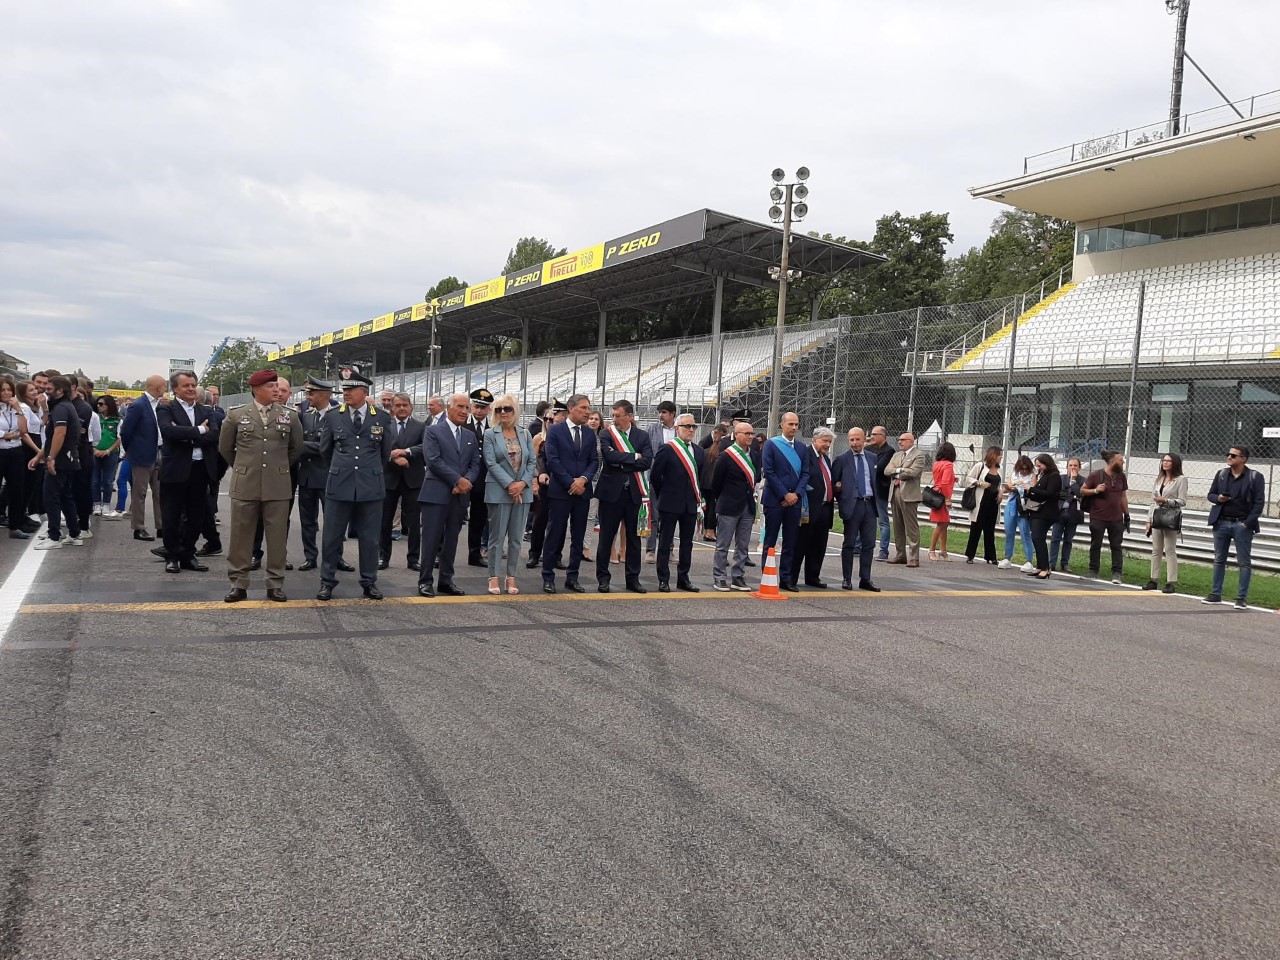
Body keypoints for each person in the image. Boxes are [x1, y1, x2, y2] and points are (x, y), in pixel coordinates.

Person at [219, 369, 303, 603]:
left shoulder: (289, 416)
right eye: (270, 386)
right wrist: (243, 467)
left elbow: (296, 448)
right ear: (256, 389)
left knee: (277, 537)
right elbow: (225, 448)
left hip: (278, 484)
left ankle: (275, 583)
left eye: (277, 385)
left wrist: (278, 468)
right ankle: (238, 583)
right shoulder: (236, 415)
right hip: (246, 483)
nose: (276, 390)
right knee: (240, 536)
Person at [317, 368, 392, 601]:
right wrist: (344, 469)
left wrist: (367, 472)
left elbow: (385, 452)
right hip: (340, 485)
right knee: (332, 537)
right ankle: (327, 582)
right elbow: (325, 451)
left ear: (364, 391)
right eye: (344, 389)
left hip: (370, 487)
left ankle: (369, 582)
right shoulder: (333, 416)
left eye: (350, 389)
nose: (345, 393)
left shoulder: (381, 417)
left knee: (370, 539)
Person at [413, 393, 481, 598]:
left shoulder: (469, 435)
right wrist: (457, 481)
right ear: (448, 408)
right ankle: (425, 581)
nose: (464, 411)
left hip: (459, 497)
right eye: (460, 406)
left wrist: (466, 481)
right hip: (436, 494)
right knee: (431, 540)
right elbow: (433, 461)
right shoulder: (433, 431)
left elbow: (475, 463)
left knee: (452, 540)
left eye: (467, 408)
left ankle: (445, 580)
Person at [155, 370, 220, 573]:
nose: (191, 388)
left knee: (196, 516)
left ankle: (187, 554)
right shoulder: (166, 409)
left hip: (200, 469)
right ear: (175, 389)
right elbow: (169, 431)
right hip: (175, 470)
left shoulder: (206, 411)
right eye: (186, 386)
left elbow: (215, 435)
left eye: (193, 385)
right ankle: (172, 555)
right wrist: (200, 431)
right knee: (171, 516)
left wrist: (186, 435)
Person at [594, 398, 653, 594]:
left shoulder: (642, 436)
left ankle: (633, 579)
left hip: (634, 494)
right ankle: (603, 578)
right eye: (613, 415)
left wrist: (625, 460)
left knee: (634, 539)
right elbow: (609, 458)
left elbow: (647, 462)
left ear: (630, 416)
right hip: (611, 493)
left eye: (618, 416)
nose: (615, 419)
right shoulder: (606, 433)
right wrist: (635, 456)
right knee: (606, 537)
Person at [541, 394, 598, 594]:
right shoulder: (555, 430)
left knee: (578, 536)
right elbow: (552, 460)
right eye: (583, 408)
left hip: (582, 491)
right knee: (555, 534)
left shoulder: (590, 434)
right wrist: (570, 482)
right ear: (571, 408)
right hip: (561, 491)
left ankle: (572, 577)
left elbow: (594, 461)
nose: (587, 412)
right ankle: (548, 576)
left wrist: (583, 480)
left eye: (589, 408)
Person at [295, 377, 352, 574]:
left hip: (328, 476)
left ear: (324, 395)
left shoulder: (338, 416)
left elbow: (328, 447)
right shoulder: (306, 415)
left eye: (311, 393)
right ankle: (310, 557)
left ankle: (337, 557)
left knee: (334, 521)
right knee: (307, 521)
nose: (307, 396)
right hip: (308, 476)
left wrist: (300, 446)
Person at [482, 394, 534, 595]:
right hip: (498, 491)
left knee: (516, 538)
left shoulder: (525, 434)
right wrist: (510, 485)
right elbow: (491, 463)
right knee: (496, 537)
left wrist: (521, 484)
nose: (503, 412)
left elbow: (531, 462)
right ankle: (493, 576)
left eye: (507, 409)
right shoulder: (490, 434)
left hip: (523, 492)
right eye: (499, 409)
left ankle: (511, 577)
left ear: (515, 411)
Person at [1203, 444, 1266, 609]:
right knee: (1218, 559)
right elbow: (1210, 494)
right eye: (1228, 454)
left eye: (1233, 455)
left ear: (1243, 459)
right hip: (1222, 522)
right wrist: (1218, 499)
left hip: (1242, 523)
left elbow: (1259, 503)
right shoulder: (1222, 474)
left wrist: (1248, 523)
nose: (1229, 457)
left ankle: (1241, 598)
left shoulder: (1255, 476)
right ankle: (1216, 594)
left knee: (1244, 561)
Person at [649, 413, 704, 592]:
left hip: (690, 505)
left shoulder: (698, 451)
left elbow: (699, 478)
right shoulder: (667, 449)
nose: (690, 430)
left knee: (687, 544)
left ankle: (683, 578)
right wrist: (664, 493)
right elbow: (655, 476)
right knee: (665, 542)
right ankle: (663, 579)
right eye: (686, 426)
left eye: (693, 427)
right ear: (677, 428)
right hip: (670, 503)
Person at [29, 376, 82, 549]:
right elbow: (52, 438)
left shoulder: (61, 408)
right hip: (68, 458)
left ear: (60, 391)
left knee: (50, 496)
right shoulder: (66, 406)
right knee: (66, 496)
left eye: (50, 389)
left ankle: (54, 537)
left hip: (61, 459)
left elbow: (59, 434)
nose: (46, 391)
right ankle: (74, 534)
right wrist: (39, 456)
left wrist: (50, 458)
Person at [709, 419, 759, 592]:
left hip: (747, 506)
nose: (750, 436)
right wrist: (723, 498)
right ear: (736, 435)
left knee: (743, 544)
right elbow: (716, 483)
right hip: (729, 505)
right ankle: (720, 577)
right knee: (723, 544)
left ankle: (737, 576)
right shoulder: (726, 456)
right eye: (746, 433)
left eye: (752, 433)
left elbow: (756, 477)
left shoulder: (754, 454)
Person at [761, 412, 809, 591]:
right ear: (782, 425)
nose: (794, 428)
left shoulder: (802, 448)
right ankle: (767, 575)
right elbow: (769, 472)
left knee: (791, 542)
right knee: (770, 541)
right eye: (790, 424)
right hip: (775, 500)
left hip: (795, 501)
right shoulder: (771, 445)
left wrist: (795, 494)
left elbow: (805, 473)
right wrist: (784, 495)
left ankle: (786, 578)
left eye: (796, 424)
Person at [830, 426, 880, 592]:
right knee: (849, 544)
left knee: (869, 544)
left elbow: (875, 480)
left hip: (869, 505)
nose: (854, 443)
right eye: (851, 439)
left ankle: (865, 578)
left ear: (864, 439)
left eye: (857, 439)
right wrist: (841, 495)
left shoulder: (873, 458)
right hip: (852, 506)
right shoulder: (842, 459)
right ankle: (847, 578)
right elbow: (833, 485)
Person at [380, 393, 425, 572]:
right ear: (392, 407)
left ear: (411, 407)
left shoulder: (421, 426)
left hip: (412, 480)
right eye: (397, 405)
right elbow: (379, 448)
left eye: (404, 405)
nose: (401, 408)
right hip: (389, 479)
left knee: (414, 523)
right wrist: (393, 457)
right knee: (384, 521)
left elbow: (425, 448)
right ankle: (383, 557)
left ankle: (413, 559)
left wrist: (405, 452)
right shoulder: (385, 425)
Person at [118, 375, 165, 542]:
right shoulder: (138, 405)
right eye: (164, 386)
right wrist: (132, 450)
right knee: (140, 493)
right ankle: (138, 528)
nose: (165, 389)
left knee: (160, 493)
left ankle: (161, 526)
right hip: (142, 455)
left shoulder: (160, 405)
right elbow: (125, 431)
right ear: (158, 387)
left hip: (159, 453)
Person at [792, 426, 836, 588]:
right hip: (808, 507)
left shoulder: (826, 460)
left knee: (819, 545)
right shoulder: (806, 455)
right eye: (824, 441)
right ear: (814, 440)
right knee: (801, 544)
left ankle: (813, 576)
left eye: (829, 442)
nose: (827, 445)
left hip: (825, 508)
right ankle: (791, 578)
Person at [526, 401, 565, 569]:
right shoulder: (538, 438)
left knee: (560, 522)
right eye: (546, 419)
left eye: (552, 419)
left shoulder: (565, 438)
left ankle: (556, 555)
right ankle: (534, 554)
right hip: (543, 484)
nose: (549, 422)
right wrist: (534, 482)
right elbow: (533, 462)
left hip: (560, 483)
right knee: (539, 521)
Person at [1082, 450, 1130, 584]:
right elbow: (1082, 490)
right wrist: (1095, 490)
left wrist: (1126, 514)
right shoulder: (1096, 475)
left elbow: (1123, 496)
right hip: (1098, 516)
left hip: (1116, 518)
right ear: (1111, 462)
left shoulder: (1121, 477)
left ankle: (1117, 573)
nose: (1123, 462)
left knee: (1116, 545)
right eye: (1121, 460)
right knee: (1095, 544)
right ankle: (1093, 570)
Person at [1144, 453, 1188, 594]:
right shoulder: (1159, 479)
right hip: (1157, 515)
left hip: (1170, 516)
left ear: (1175, 463)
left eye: (1169, 461)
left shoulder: (1181, 479)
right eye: (1164, 460)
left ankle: (1171, 581)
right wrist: (1149, 520)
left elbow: (1182, 501)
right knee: (1156, 550)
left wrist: (1166, 501)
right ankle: (1153, 579)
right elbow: (1153, 501)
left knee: (1170, 550)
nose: (1165, 463)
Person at [0, 377, 37, 539]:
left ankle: (14, 526)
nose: (7, 393)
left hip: (15, 451)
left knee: (17, 489)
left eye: (9, 389)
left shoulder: (16, 407)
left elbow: (23, 430)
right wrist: (5, 435)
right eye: (3, 390)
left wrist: (18, 410)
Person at [883, 431, 926, 567]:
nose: (899, 442)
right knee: (898, 525)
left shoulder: (918, 455)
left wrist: (897, 470)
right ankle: (900, 554)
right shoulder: (896, 455)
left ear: (911, 441)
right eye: (899, 439)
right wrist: (900, 470)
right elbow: (886, 470)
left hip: (909, 495)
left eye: (902, 440)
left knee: (911, 527)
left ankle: (914, 557)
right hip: (895, 492)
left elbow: (913, 472)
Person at [644, 400, 678, 562]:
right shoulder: (652, 430)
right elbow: (647, 452)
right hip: (655, 478)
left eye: (664, 412)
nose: (660, 415)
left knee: (670, 516)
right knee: (654, 515)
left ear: (672, 414)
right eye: (659, 412)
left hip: (673, 481)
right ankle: (650, 550)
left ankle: (668, 550)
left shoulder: (679, 431)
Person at [465, 388, 494, 568]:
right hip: (463, 478)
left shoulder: (492, 428)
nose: (479, 411)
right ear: (471, 406)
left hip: (482, 481)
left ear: (489, 409)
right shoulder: (463, 425)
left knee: (478, 520)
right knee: (451, 518)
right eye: (476, 406)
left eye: (483, 408)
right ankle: (440, 553)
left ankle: (474, 554)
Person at [1024, 453, 1062, 580]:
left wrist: (1032, 489)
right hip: (1038, 511)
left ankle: (1045, 568)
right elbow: (1039, 494)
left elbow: (1049, 493)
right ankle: (1040, 566)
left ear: (1047, 463)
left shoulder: (1054, 476)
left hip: (1047, 512)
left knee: (1038, 538)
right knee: (1036, 538)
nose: (1038, 468)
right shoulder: (1044, 475)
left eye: (1039, 465)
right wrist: (1028, 491)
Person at [963, 447, 1002, 564]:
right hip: (981, 501)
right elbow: (968, 478)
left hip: (993, 502)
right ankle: (970, 555)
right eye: (999, 455)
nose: (1001, 458)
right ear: (993, 455)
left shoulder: (1000, 469)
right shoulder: (980, 466)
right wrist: (980, 483)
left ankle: (991, 556)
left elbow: (999, 483)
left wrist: (1000, 492)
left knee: (990, 529)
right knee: (976, 528)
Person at [997, 455, 1035, 572]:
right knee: (1009, 532)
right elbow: (1007, 487)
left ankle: (1029, 560)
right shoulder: (1013, 474)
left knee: (1025, 532)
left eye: (1026, 469)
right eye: (1021, 468)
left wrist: (1022, 487)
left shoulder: (1032, 476)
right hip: (1012, 504)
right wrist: (1012, 486)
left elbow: (1032, 489)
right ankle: (1007, 557)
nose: (1024, 471)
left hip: (1023, 506)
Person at [1050, 457, 1085, 572]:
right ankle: (1052, 562)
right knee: (1055, 538)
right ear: (1066, 467)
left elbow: (1080, 494)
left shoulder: (1082, 481)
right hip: (1059, 512)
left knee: (1068, 540)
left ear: (1079, 468)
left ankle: (1065, 563)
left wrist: (1074, 482)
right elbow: (1058, 494)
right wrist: (1072, 496)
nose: (1073, 468)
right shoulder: (1061, 479)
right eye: (1070, 465)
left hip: (1073, 514)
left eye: (1075, 465)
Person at [91, 394, 122, 517]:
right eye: (97, 404)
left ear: (109, 405)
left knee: (108, 481)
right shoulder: (95, 418)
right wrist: (94, 449)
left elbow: (119, 438)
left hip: (111, 453)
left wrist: (108, 450)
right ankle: (97, 504)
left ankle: (106, 504)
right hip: (95, 452)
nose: (98, 406)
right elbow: (90, 434)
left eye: (101, 404)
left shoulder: (118, 420)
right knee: (94, 480)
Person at [868, 426, 894, 561]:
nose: (872, 436)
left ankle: (884, 550)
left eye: (875, 434)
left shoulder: (889, 451)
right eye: (871, 434)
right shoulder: (868, 449)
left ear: (883, 436)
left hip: (880, 490)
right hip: (867, 489)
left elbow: (880, 468)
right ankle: (858, 546)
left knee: (883, 521)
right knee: (864, 517)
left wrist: (871, 467)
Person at [927, 441, 956, 561]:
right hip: (942, 496)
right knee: (941, 524)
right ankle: (932, 550)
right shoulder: (949, 465)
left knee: (944, 523)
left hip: (936, 493)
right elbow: (944, 482)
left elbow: (940, 479)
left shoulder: (937, 463)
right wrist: (948, 499)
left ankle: (943, 550)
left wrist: (953, 479)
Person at [700, 429, 724, 542]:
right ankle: (710, 531)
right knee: (712, 509)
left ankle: (706, 530)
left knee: (706, 508)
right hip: (714, 483)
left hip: (703, 483)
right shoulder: (721, 454)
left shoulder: (704, 452)